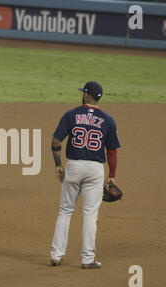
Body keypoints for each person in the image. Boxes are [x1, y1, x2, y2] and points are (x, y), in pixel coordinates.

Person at [49, 81, 120, 269]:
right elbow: (112, 151)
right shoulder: (108, 120)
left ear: (88, 96)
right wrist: (112, 174)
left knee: (65, 211)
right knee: (90, 215)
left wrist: (58, 164)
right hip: (95, 170)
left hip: (73, 166)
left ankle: (56, 255)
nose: (82, 95)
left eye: (84, 93)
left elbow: (56, 141)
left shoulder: (71, 114)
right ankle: (87, 259)